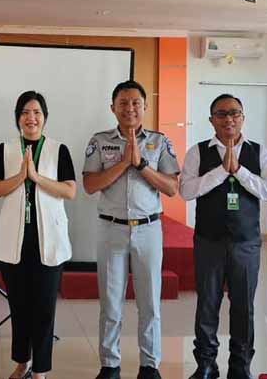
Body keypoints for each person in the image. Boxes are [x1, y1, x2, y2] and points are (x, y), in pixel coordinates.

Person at [179, 94, 267, 379]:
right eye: (222, 114)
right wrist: (222, 171)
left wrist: (239, 171)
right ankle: (206, 365)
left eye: (235, 113)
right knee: (207, 304)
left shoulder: (258, 152)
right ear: (211, 120)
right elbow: (187, 191)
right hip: (208, 241)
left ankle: (240, 366)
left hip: (246, 242)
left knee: (244, 306)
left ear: (243, 118)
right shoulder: (198, 152)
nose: (229, 119)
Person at [83, 80, 180, 379]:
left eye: (136, 103)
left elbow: (172, 187)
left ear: (145, 107)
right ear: (113, 107)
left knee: (149, 302)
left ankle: (149, 365)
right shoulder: (100, 141)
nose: (130, 108)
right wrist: (123, 162)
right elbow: (89, 185)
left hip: (148, 229)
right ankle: (110, 364)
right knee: (111, 302)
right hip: (111, 229)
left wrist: (140, 165)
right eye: (123, 103)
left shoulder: (160, 142)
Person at [0, 91, 76, 379]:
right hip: (15, 240)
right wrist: (20, 177)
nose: (31, 117)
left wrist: (37, 177)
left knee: (44, 308)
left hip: (47, 240)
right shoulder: (5, 149)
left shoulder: (58, 149)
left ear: (44, 117)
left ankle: (41, 370)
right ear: (18, 118)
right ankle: (21, 362)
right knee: (18, 306)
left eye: (36, 112)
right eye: (25, 112)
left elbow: (70, 191)